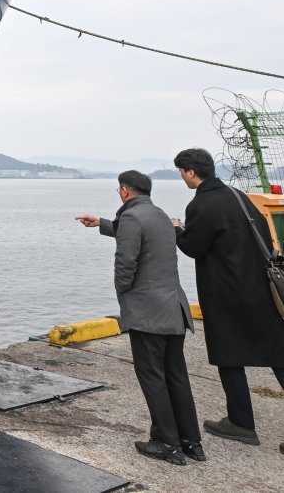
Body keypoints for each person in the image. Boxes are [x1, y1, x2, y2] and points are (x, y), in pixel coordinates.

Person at [170, 148, 284, 468]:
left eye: (182, 172)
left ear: (191, 172)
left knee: (227, 354)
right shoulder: (238, 196)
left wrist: (178, 229)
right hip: (258, 291)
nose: (183, 177)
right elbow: (262, 233)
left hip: (224, 294)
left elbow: (193, 247)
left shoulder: (201, 204)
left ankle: (245, 423)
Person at [77, 170, 202, 465]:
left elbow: (125, 264)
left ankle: (167, 444)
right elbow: (136, 230)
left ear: (124, 191)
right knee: (176, 376)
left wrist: (125, 298)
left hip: (148, 313)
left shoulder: (132, 218)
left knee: (152, 376)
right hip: (174, 309)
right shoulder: (160, 215)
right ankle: (191, 442)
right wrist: (102, 223)